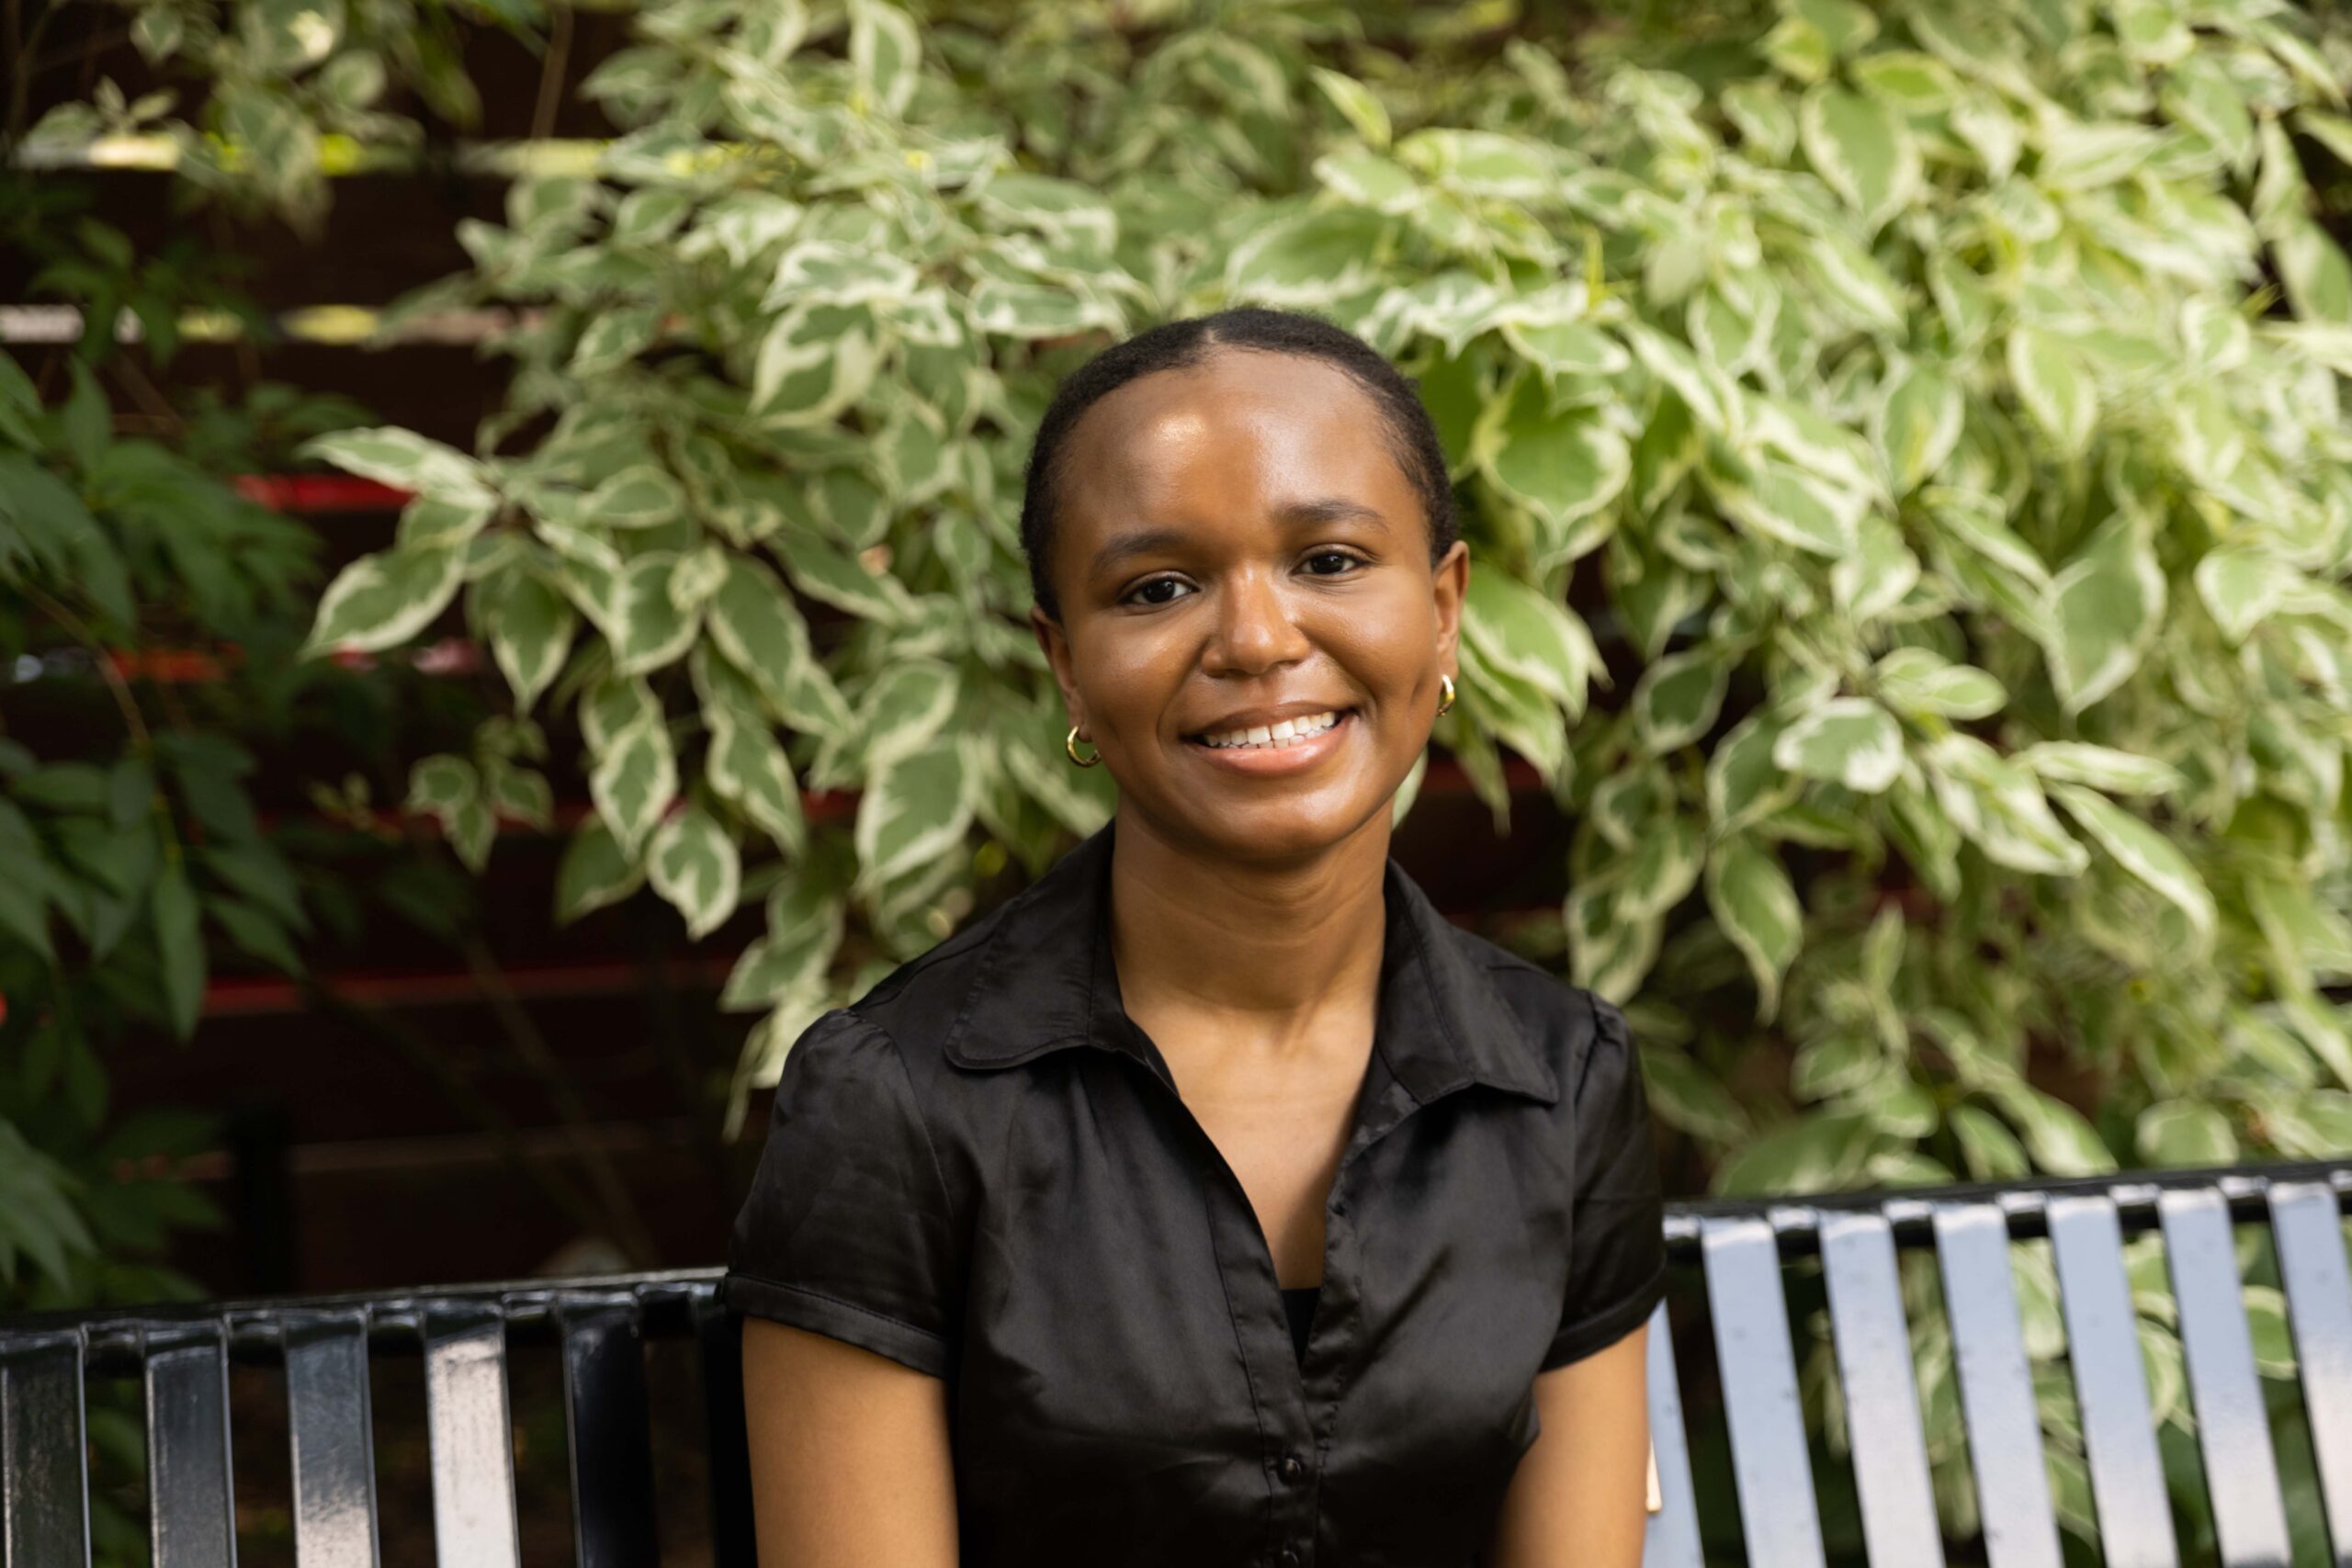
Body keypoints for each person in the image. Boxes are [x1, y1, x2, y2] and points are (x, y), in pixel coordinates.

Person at [724, 306, 1668, 1567]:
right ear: (1067, 664)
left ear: (1443, 610)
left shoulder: (1562, 1083)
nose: (1259, 641)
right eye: (1158, 588)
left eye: (1329, 560)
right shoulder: (895, 1105)